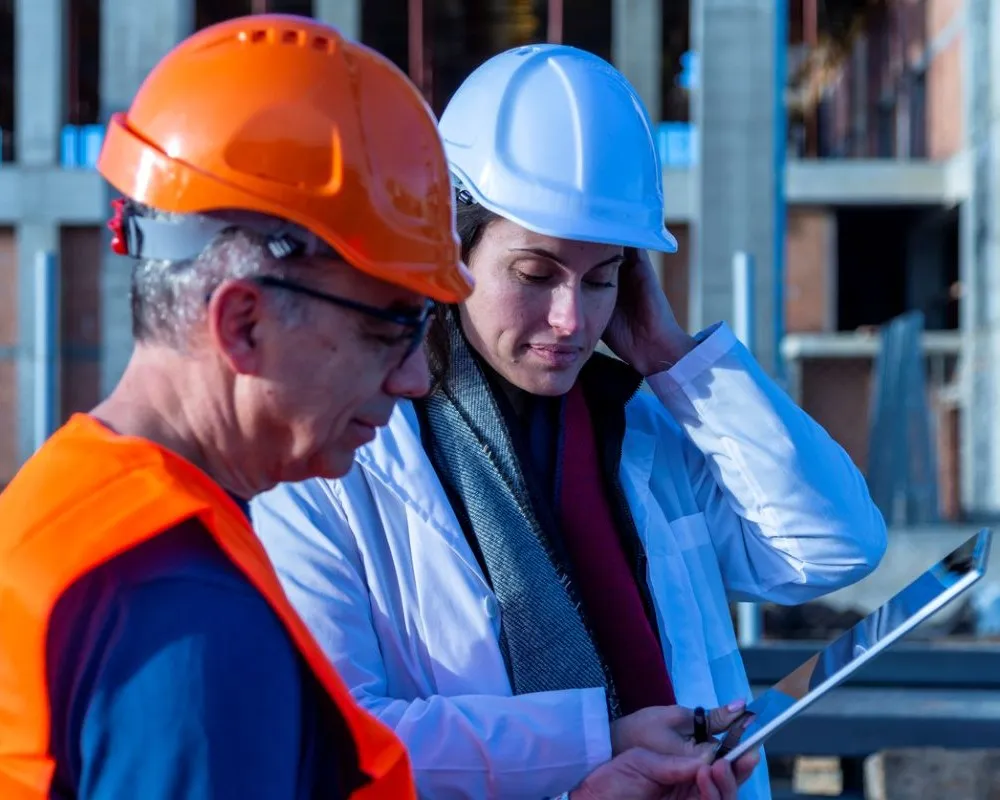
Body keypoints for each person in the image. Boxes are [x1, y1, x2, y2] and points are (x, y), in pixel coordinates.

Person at [0, 16, 753, 800]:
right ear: (243, 323)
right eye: (390, 325)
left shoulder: (90, 515)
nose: (414, 381)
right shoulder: (182, 620)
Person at [251, 44, 886, 799]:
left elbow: (832, 546)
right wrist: (590, 749)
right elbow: (335, 735)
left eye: (603, 280)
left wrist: (670, 357)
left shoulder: (638, 429)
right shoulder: (336, 459)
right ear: (446, 252)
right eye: (536, 274)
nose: (570, 320)